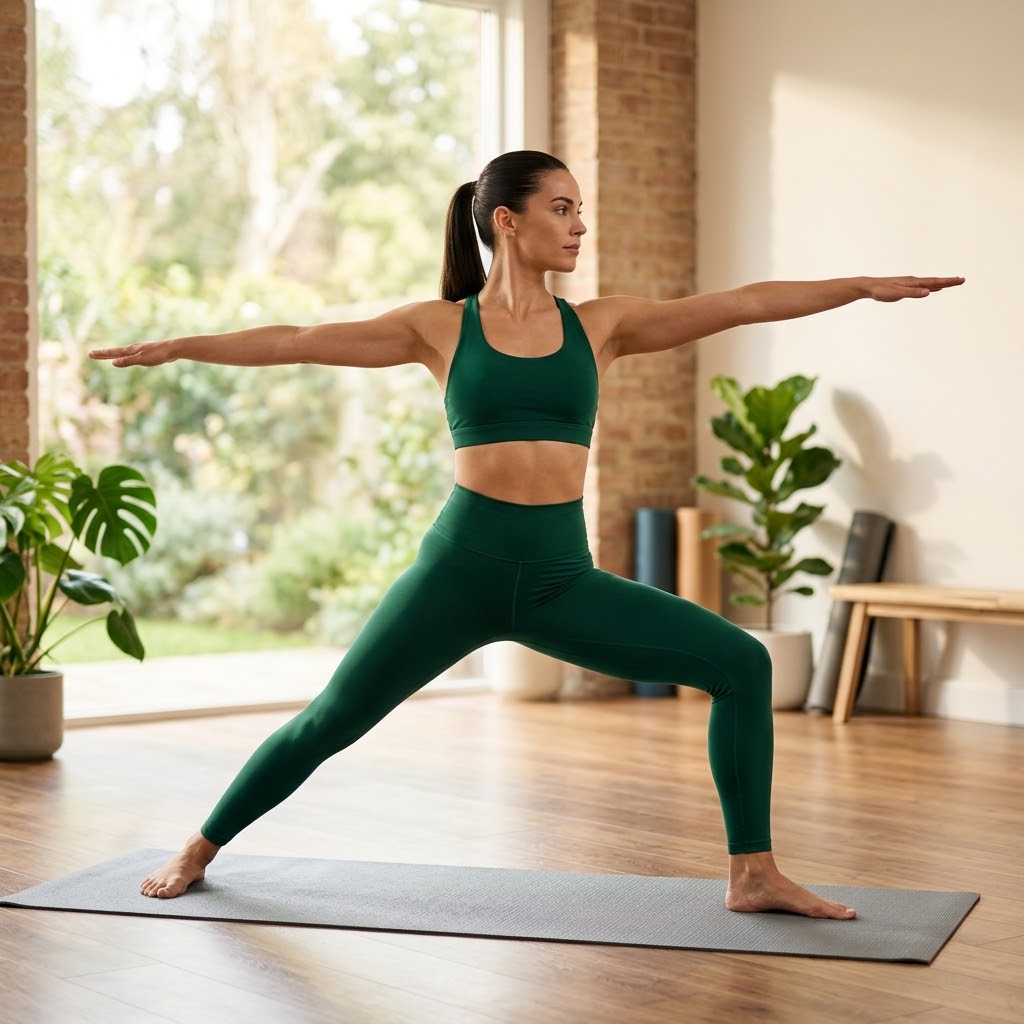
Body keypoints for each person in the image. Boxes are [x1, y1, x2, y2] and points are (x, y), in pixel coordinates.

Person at [90, 149, 964, 918]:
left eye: (581, 209)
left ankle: (754, 872)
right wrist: (182, 346)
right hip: (457, 571)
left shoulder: (600, 325)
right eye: (563, 208)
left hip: (559, 578)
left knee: (742, 663)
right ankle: (197, 851)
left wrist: (860, 287)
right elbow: (299, 340)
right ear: (506, 222)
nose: (581, 225)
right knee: (330, 721)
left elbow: (736, 303)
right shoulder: (439, 328)